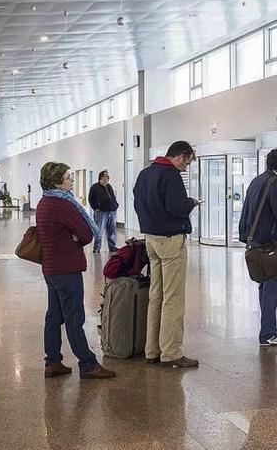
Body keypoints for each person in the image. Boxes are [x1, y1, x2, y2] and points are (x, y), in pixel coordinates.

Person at [36, 162, 116, 380]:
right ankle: (88, 363)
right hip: (66, 268)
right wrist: (76, 236)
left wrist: (74, 235)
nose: (71, 180)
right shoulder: (63, 204)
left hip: (51, 268)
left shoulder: (44, 201)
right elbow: (86, 234)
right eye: (68, 177)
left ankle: (52, 361)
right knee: (74, 317)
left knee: (54, 316)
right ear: (57, 181)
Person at [133, 141, 200, 368]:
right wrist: (191, 202)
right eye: (187, 162)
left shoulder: (145, 173)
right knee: (173, 298)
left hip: (151, 239)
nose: (185, 168)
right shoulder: (171, 175)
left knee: (156, 295)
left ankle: (152, 349)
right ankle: (171, 352)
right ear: (180, 156)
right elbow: (177, 207)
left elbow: (137, 203)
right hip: (171, 240)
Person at [239, 148, 277, 347]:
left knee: (265, 285)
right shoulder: (275, 182)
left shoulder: (257, 181)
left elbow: (247, 209)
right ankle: (268, 333)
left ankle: (269, 326)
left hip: (256, 240)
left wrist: (245, 235)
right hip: (270, 242)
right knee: (272, 287)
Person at [88, 170, 120, 253]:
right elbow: (91, 199)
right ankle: (97, 247)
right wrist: (96, 208)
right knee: (99, 230)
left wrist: (115, 205)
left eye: (108, 176)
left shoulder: (109, 186)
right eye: (106, 176)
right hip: (101, 212)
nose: (108, 178)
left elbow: (112, 197)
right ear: (101, 177)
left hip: (112, 211)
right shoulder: (95, 187)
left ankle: (112, 246)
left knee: (112, 230)